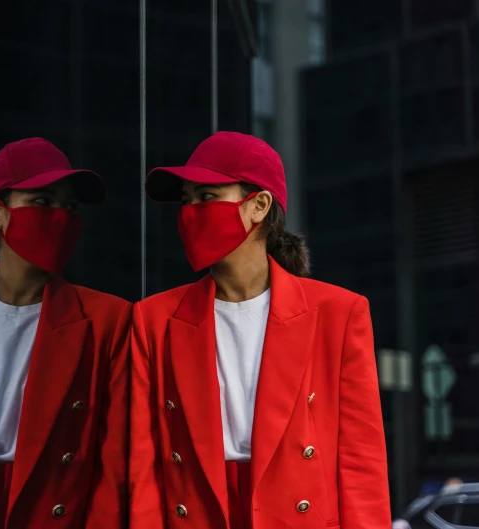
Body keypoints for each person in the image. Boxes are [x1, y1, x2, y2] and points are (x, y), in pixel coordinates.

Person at [129, 131, 390, 529]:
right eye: (186, 200)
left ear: (258, 206)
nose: (190, 212)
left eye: (207, 197)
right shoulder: (154, 319)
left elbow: (360, 461)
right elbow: (144, 466)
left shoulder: (339, 312)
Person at [0, 138, 131, 529]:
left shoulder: (107, 319)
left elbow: (114, 461)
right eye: (41, 202)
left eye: (69, 206)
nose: (60, 217)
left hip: (54, 511)